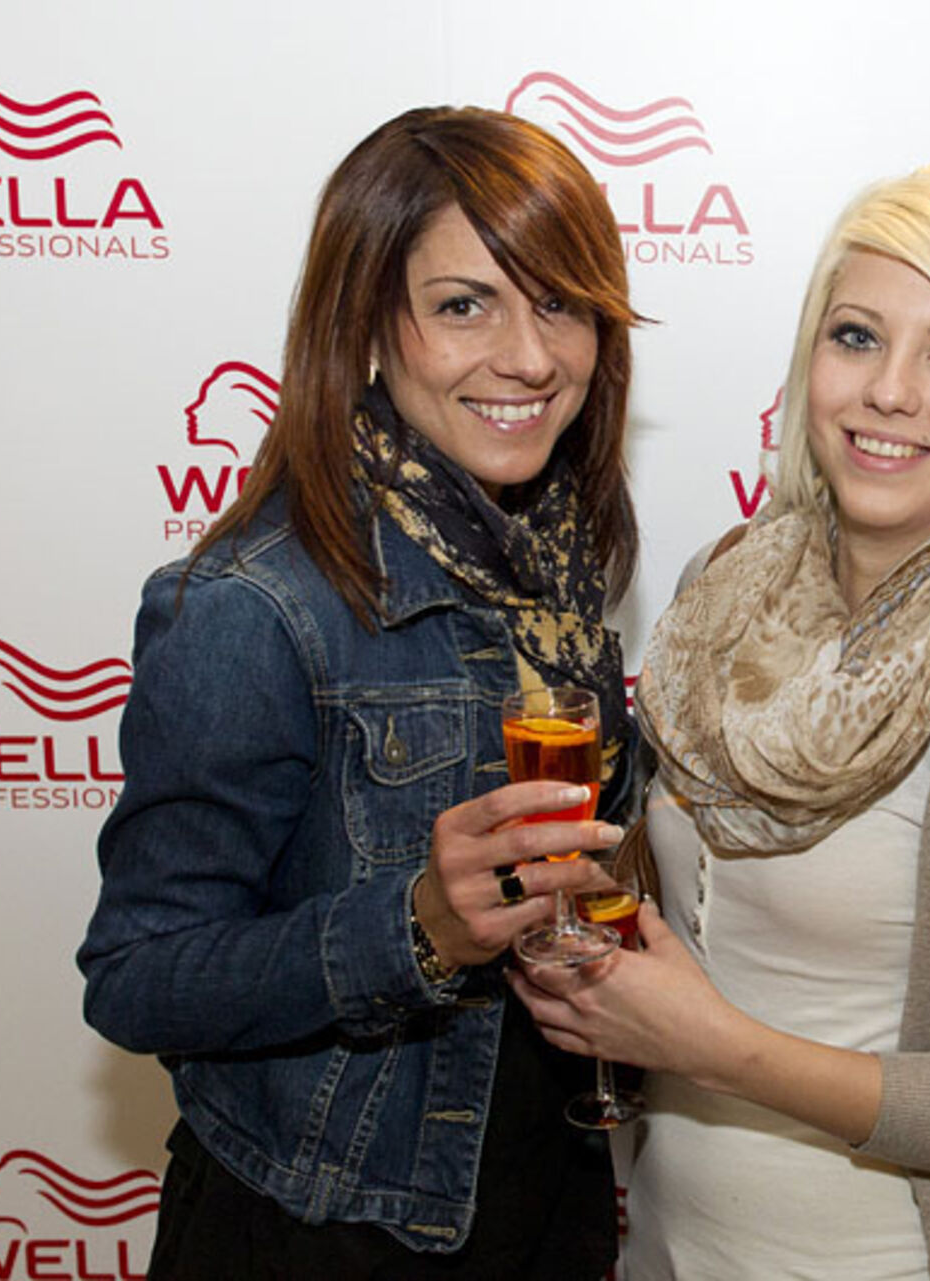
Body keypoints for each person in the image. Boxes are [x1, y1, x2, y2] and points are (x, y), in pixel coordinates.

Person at [508, 168, 930, 1280]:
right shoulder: (722, 594)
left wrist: (715, 1047)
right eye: (857, 336)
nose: (889, 391)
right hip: (668, 1250)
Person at [77, 106, 639, 1277]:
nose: (531, 358)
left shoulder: (550, 561)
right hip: (323, 1233)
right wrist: (418, 926)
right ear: (368, 325)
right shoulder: (253, 604)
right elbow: (137, 979)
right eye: (463, 305)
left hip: (546, 1203)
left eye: (560, 304)